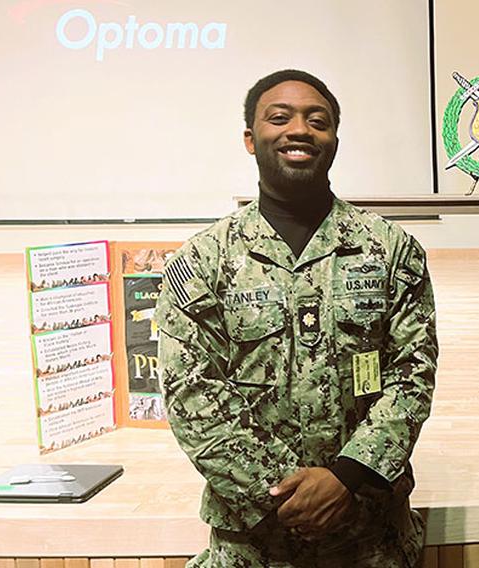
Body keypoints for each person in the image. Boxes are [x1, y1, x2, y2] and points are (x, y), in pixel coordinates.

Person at [156, 69, 438, 567]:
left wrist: (346, 478)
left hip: (371, 534)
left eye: (317, 120)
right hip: (256, 543)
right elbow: (190, 392)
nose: (299, 130)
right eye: (279, 118)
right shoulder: (204, 260)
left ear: (333, 139)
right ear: (250, 138)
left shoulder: (390, 249)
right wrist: (286, 495)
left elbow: (412, 374)